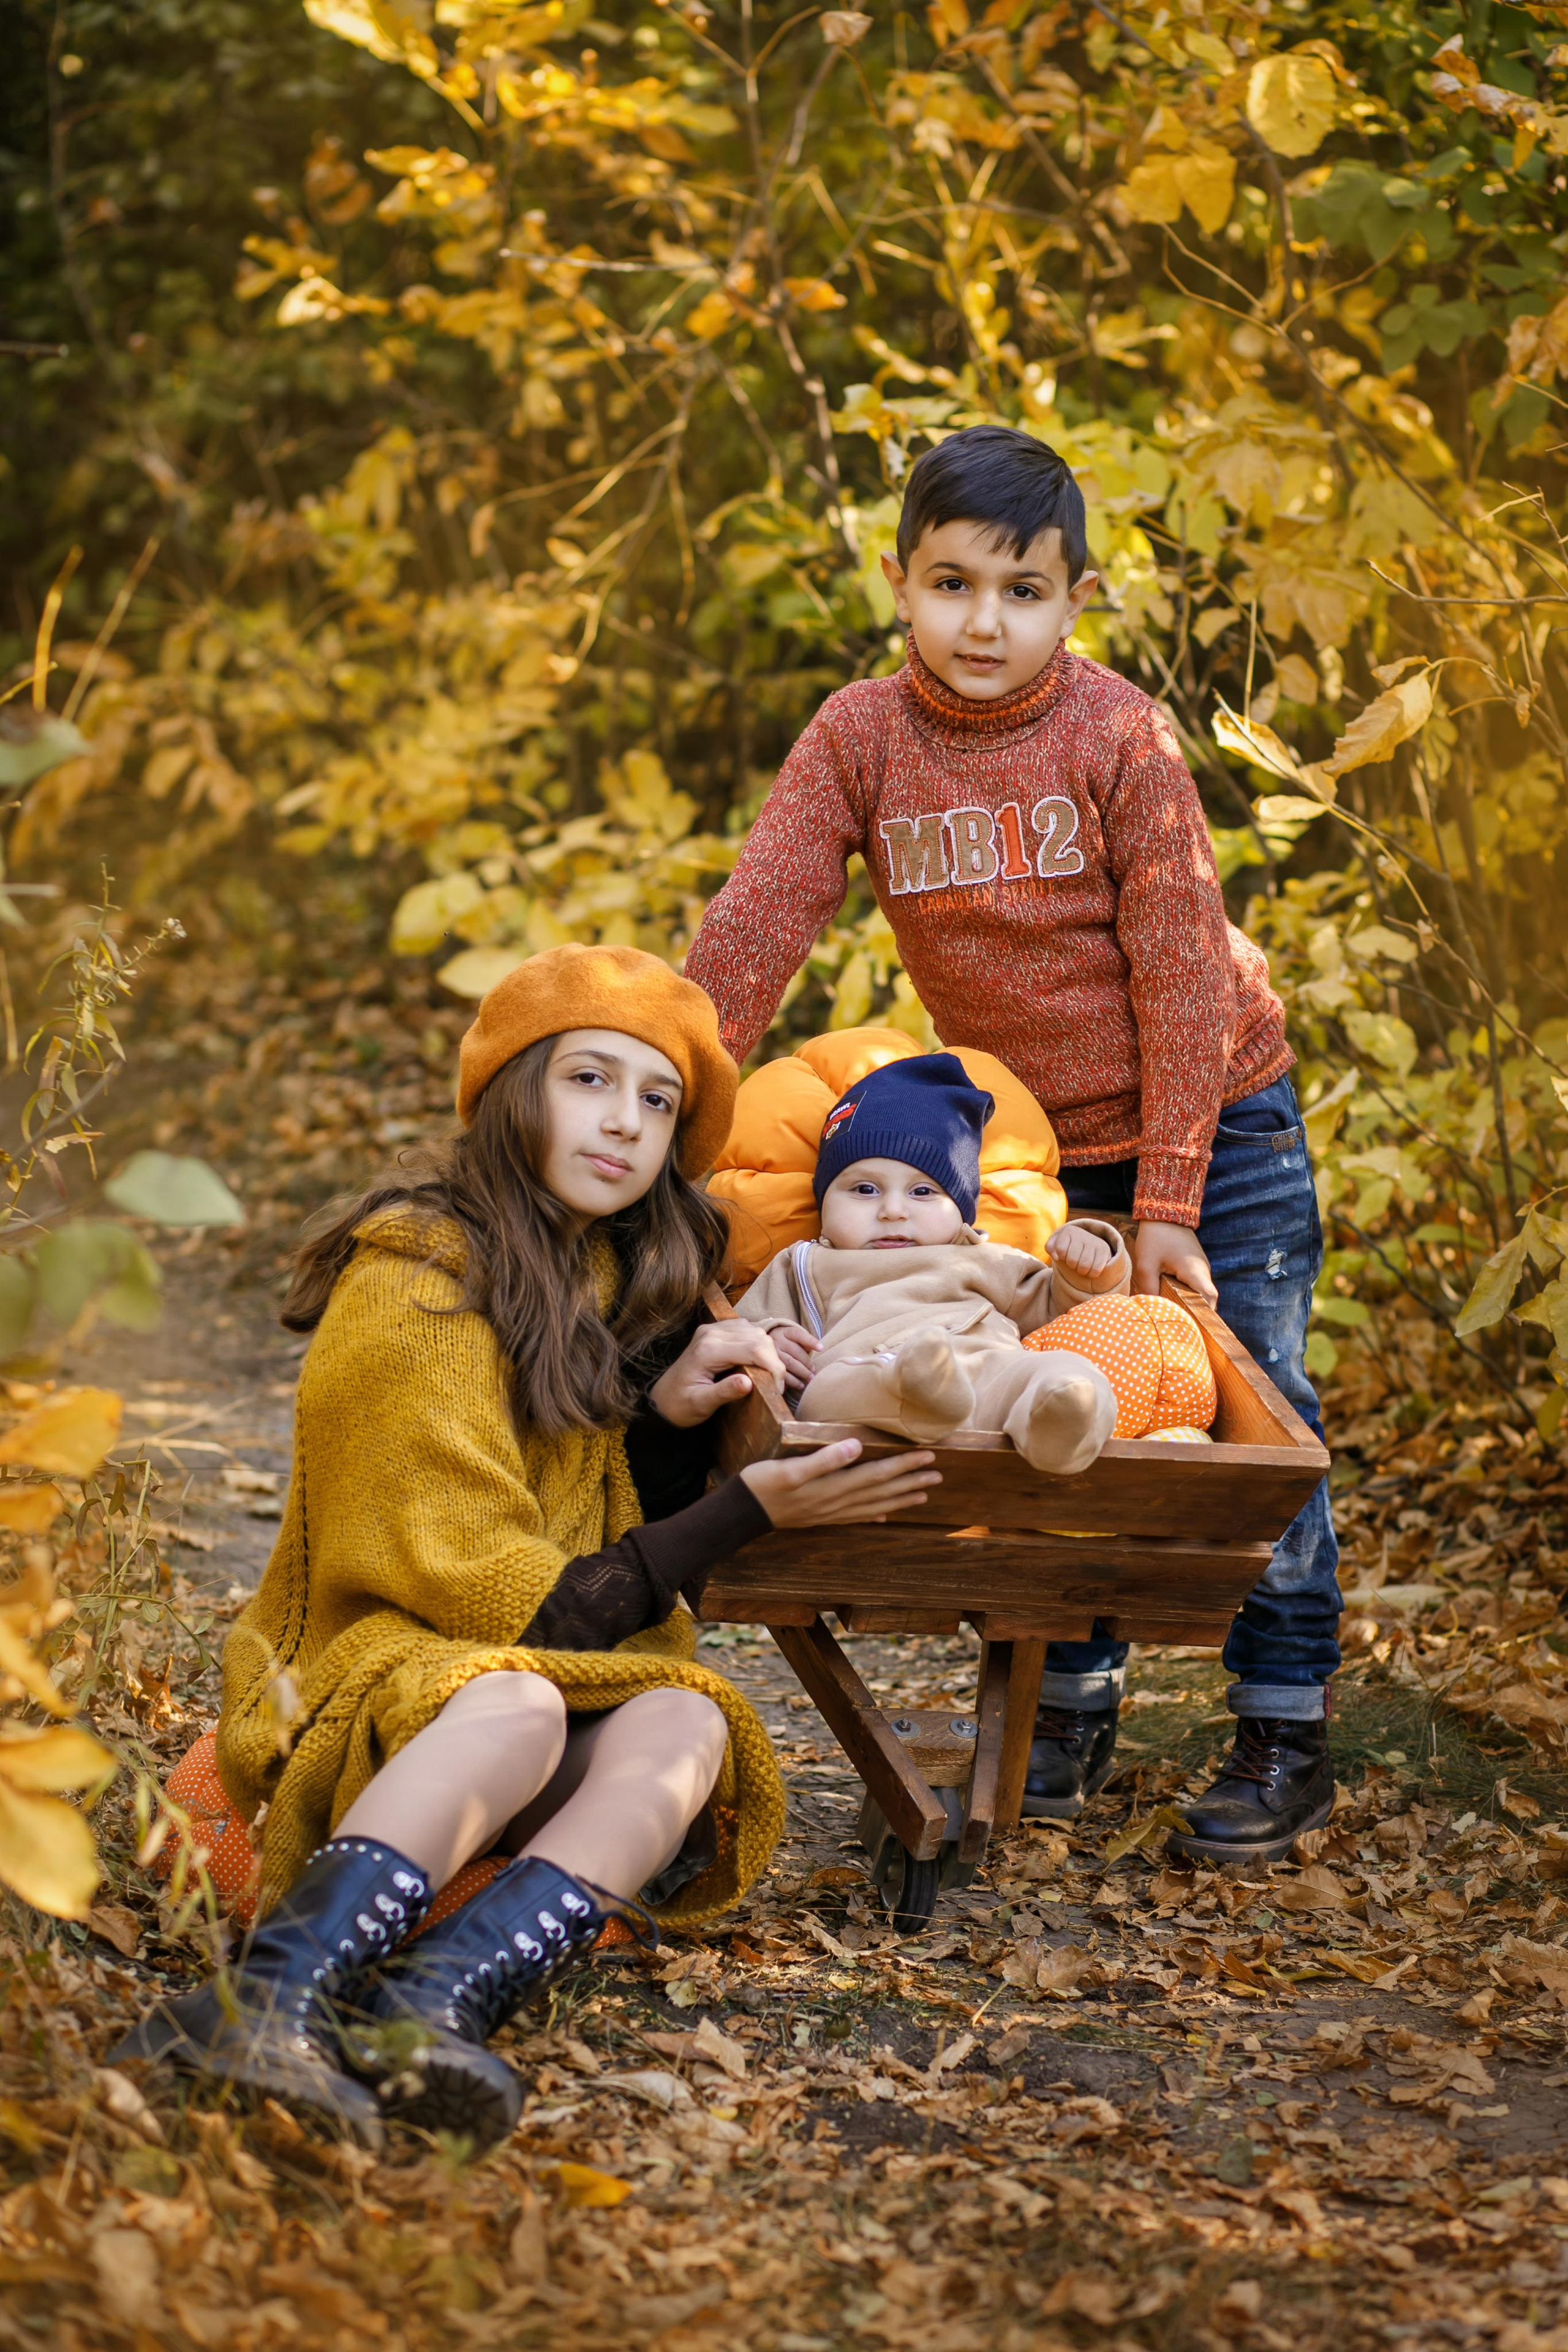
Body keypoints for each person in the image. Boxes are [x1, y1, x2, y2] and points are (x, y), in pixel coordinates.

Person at [116, 944, 940, 2150]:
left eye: (657, 1101)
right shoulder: (416, 1289)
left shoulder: (592, 1274)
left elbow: (586, 1519)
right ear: (512, 1090)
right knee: (519, 1704)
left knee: (686, 1724)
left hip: (485, 1687)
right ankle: (261, 2002)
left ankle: (433, 2005)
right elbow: (514, 1603)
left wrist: (664, 1415)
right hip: (365, 1674)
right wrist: (750, 1508)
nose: (625, 1122)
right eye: (588, 1080)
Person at [686, 423, 1340, 1864]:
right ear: (897, 582)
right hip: (1031, 1152)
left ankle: (1282, 1722)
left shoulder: (1118, 737)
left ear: (1073, 599)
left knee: (1249, 1411)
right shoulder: (859, 737)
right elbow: (756, 925)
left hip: (1213, 1121)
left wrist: (1168, 1196)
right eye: (951, 584)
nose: (983, 622)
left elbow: (1180, 975)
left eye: (1021, 591)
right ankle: (1065, 1704)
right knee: (1054, 1403)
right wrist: (666, 1096)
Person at [731, 1052, 1133, 1472]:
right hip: (864, 1382)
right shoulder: (803, 1264)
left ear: (962, 1211)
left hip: (987, 1372)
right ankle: (912, 1392)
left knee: (1061, 1371)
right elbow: (740, 1328)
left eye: (922, 1192)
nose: (892, 1211)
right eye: (865, 1189)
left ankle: (1062, 1418)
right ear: (824, 1200)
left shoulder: (988, 1258)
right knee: (827, 1392)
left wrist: (1085, 1266)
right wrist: (771, 1336)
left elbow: (1065, 1312)